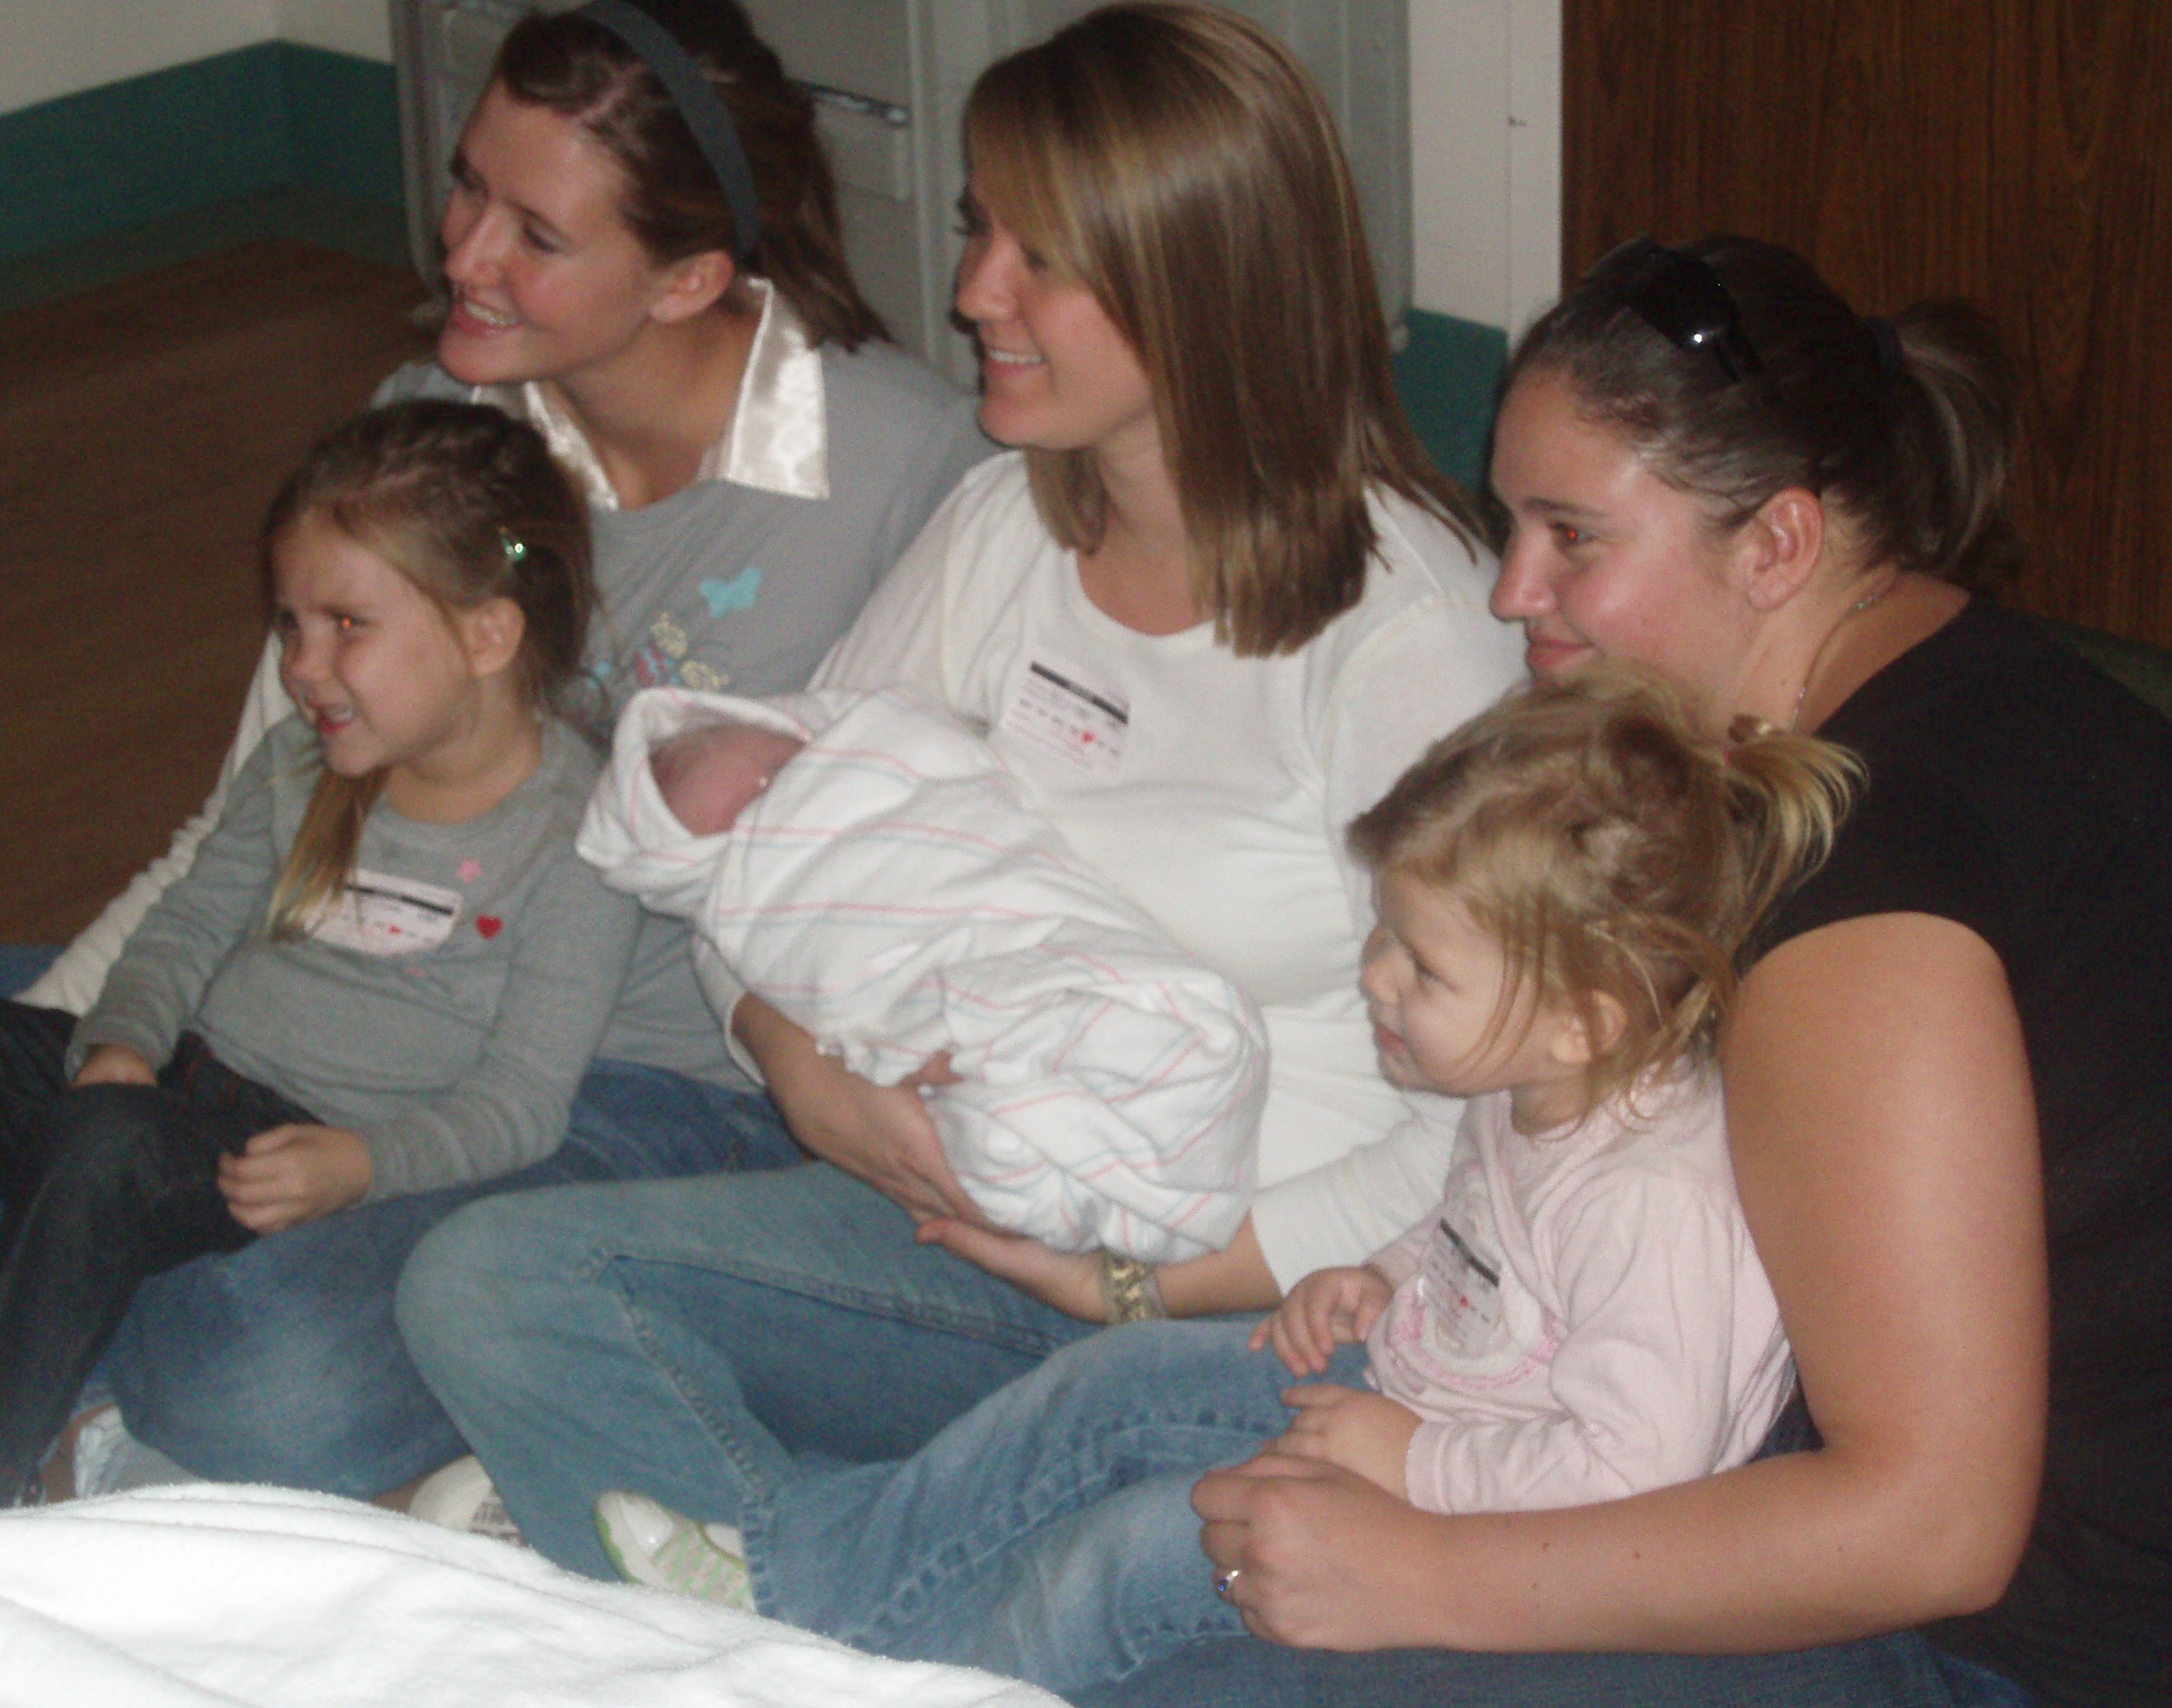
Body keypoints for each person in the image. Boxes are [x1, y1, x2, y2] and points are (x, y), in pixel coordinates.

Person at [397, 1, 1524, 1580]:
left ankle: (764, 1554)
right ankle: (801, 1548)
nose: (972, 291)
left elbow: (1498, 1130)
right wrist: (799, 1067)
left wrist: (1143, 1290)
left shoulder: (1410, 635)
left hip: (1260, 1294)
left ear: (1198, 281)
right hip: (945, 1212)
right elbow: (767, 843)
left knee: (1115, 1555)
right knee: (482, 1286)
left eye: (1037, 259)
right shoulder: (1007, 528)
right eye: (979, 229)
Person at [1053, 238, 2172, 1706]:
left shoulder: (1861, 895)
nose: (1512, 589)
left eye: (1573, 536)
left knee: (1171, 1614)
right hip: (1749, 1451)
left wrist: (1422, 1576)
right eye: (1508, 523)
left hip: (2015, 1648)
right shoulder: (1970, 689)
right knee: (1133, 1422)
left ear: (1776, 544)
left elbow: (1931, 1529)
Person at [20, 0, 990, 1498]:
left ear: (691, 277)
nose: (464, 254)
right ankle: (66, 1318)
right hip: (347, 1006)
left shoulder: (904, 470)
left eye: (536, 234)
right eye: (468, 185)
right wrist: (62, 1043)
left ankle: (55, 1325)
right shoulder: (429, 423)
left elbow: (972, 846)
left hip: (650, 1080)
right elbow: (250, 814)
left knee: (260, 1372)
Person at [587, 663, 1856, 1680]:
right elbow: (1488, 1235)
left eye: (1421, 967)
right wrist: (1382, 1274)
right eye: (1384, 933)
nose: (1375, 979)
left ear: (1583, 1020)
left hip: (1523, 1522)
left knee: (1142, 1550)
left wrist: (1412, 1464)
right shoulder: (1533, 1078)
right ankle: (800, 1582)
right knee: (1114, 1380)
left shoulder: (1651, 1198)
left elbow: (1637, 1475)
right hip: (1426, 1404)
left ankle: (902, 1679)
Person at [0, 401, 632, 1520]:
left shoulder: (578, 836)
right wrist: (122, 1039)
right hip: (165, 1086)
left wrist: (363, 1165)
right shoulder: (301, 763)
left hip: (285, 1147)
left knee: (105, 1148)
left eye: (346, 625)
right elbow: (186, 929)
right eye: (291, 627)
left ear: (487, 636)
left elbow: (523, 1105)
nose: (303, 668)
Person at [577, 681, 1265, 1262]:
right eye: (750, 816)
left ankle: (1079, 1111)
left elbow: (914, 748)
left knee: (1152, 1023)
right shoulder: (977, 573)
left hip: (1036, 944)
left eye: (785, 775)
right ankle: (1043, 1138)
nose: (778, 797)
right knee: (1005, 1117)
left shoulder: (868, 756)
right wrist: (797, 1061)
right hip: (924, 1093)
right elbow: (737, 932)